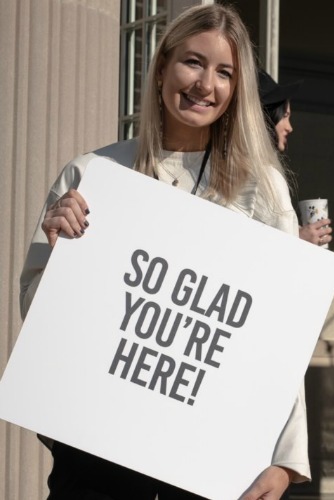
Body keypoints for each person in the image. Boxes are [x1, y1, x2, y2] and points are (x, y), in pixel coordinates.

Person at [19, 4, 309, 499]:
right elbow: (37, 314)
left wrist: (284, 462)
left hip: (208, 450)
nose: (205, 84)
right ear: (161, 69)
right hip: (97, 446)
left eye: (224, 72)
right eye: (193, 62)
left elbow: (281, 334)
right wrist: (61, 256)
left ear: (237, 90)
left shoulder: (262, 191)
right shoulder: (93, 175)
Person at [257, 69, 333, 247]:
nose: (289, 127)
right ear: (267, 116)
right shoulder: (266, 176)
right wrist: (299, 240)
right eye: (285, 116)